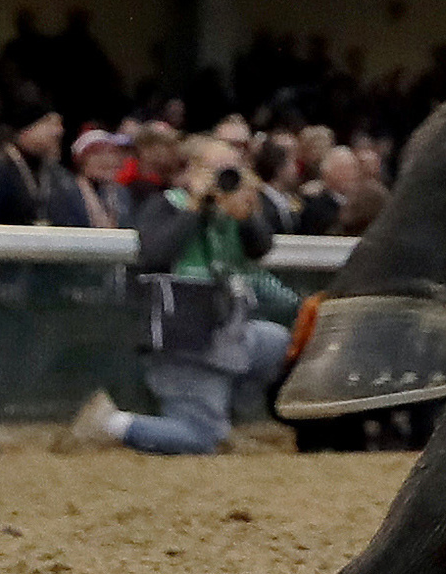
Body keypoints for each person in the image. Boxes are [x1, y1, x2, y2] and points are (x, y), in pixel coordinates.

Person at [66, 133, 288, 456]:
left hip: (226, 332)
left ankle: (218, 418)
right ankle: (110, 423)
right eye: (217, 169)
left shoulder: (231, 211)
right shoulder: (166, 205)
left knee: (276, 342)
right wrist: (195, 206)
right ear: (190, 172)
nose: (226, 177)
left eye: (233, 168)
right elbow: (155, 253)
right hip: (184, 338)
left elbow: (260, 249)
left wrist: (249, 213)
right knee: (199, 440)